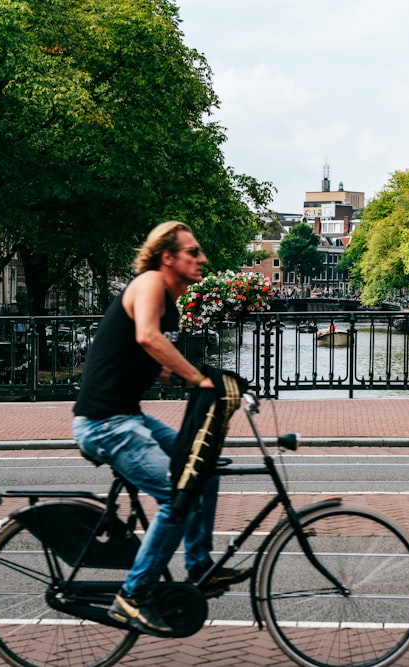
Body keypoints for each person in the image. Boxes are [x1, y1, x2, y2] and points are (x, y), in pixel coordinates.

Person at [72, 221, 248, 637]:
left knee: (205, 467)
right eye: (193, 252)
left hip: (127, 417)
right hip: (104, 423)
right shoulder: (150, 282)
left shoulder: (170, 300)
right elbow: (149, 338)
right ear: (168, 258)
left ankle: (200, 565)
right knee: (178, 495)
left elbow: (152, 362)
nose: (202, 259)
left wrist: (203, 375)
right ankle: (132, 597)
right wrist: (198, 379)